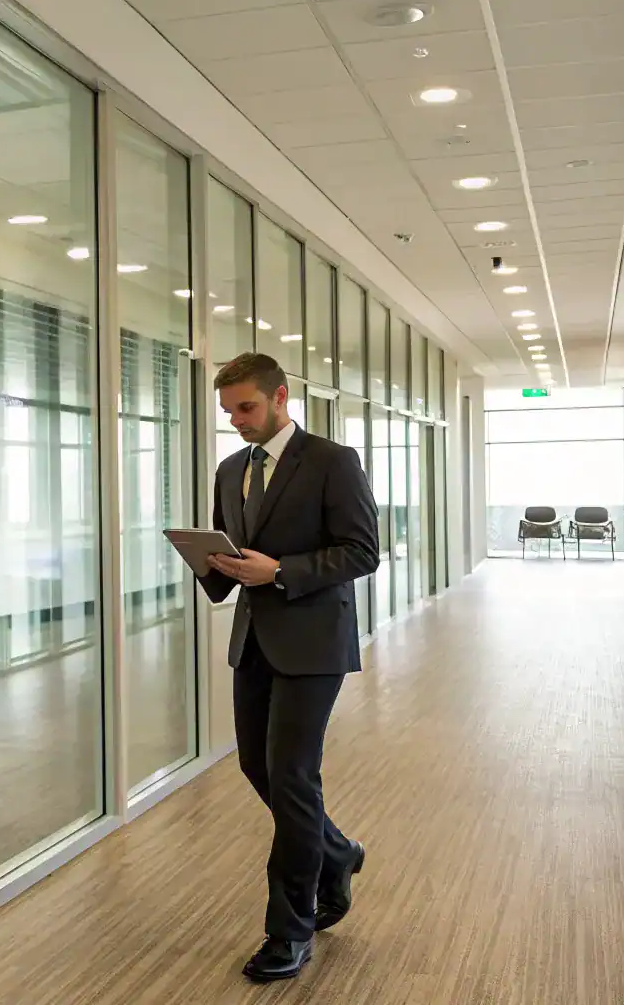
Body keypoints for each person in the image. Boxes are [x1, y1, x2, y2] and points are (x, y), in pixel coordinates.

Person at [198, 352, 379, 984]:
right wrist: (211, 563)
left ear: (280, 397)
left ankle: (290, 929)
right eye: (229, 412)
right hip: (254, 639)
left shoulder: (331, 461)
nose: (238, 421)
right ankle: (337, 851)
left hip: (313, 641)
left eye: (246, 408)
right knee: (258, 766)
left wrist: (278, 572)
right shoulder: (229, 470)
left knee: (293, 776)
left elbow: (361, 551)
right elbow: (231, 551)